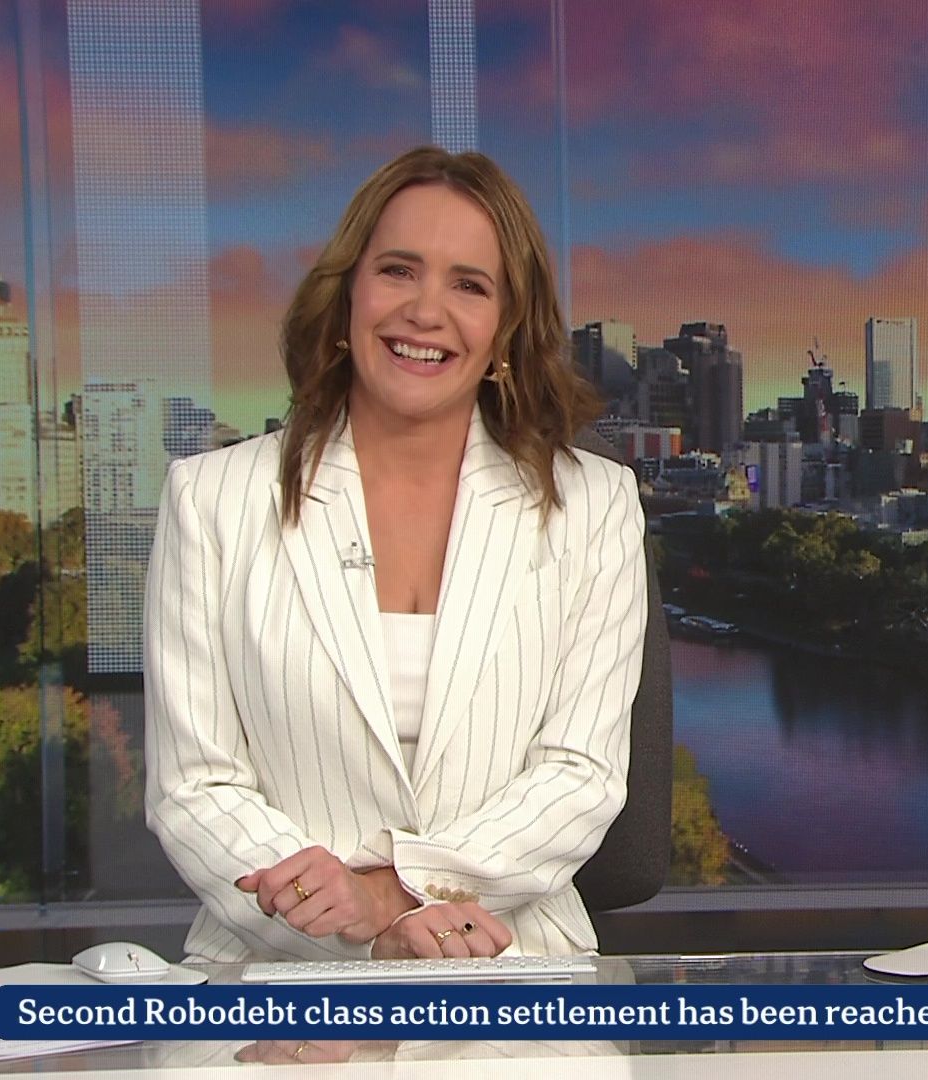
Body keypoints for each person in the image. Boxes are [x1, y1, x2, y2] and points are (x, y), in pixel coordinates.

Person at [143, 146, 646, 962]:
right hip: (279, 962)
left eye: (469, 285)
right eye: (398, 271)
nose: (425, 310)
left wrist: (400, 893)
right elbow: (195, 785)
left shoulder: (593, 505)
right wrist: (342, 924)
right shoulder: (212, 500)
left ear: (507, 330)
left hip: (511, 958)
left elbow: (579, 774)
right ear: (347, 295)